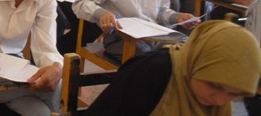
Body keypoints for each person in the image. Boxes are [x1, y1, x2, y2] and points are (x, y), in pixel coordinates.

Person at [86, 21, 261, 116]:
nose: (220, 101)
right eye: (214, 86)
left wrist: (176, 16)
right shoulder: (151, 73)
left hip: (152, 34)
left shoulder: (219, 100)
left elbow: (163, 9)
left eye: (234, 95)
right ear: (196, 62)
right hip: (123, 35)